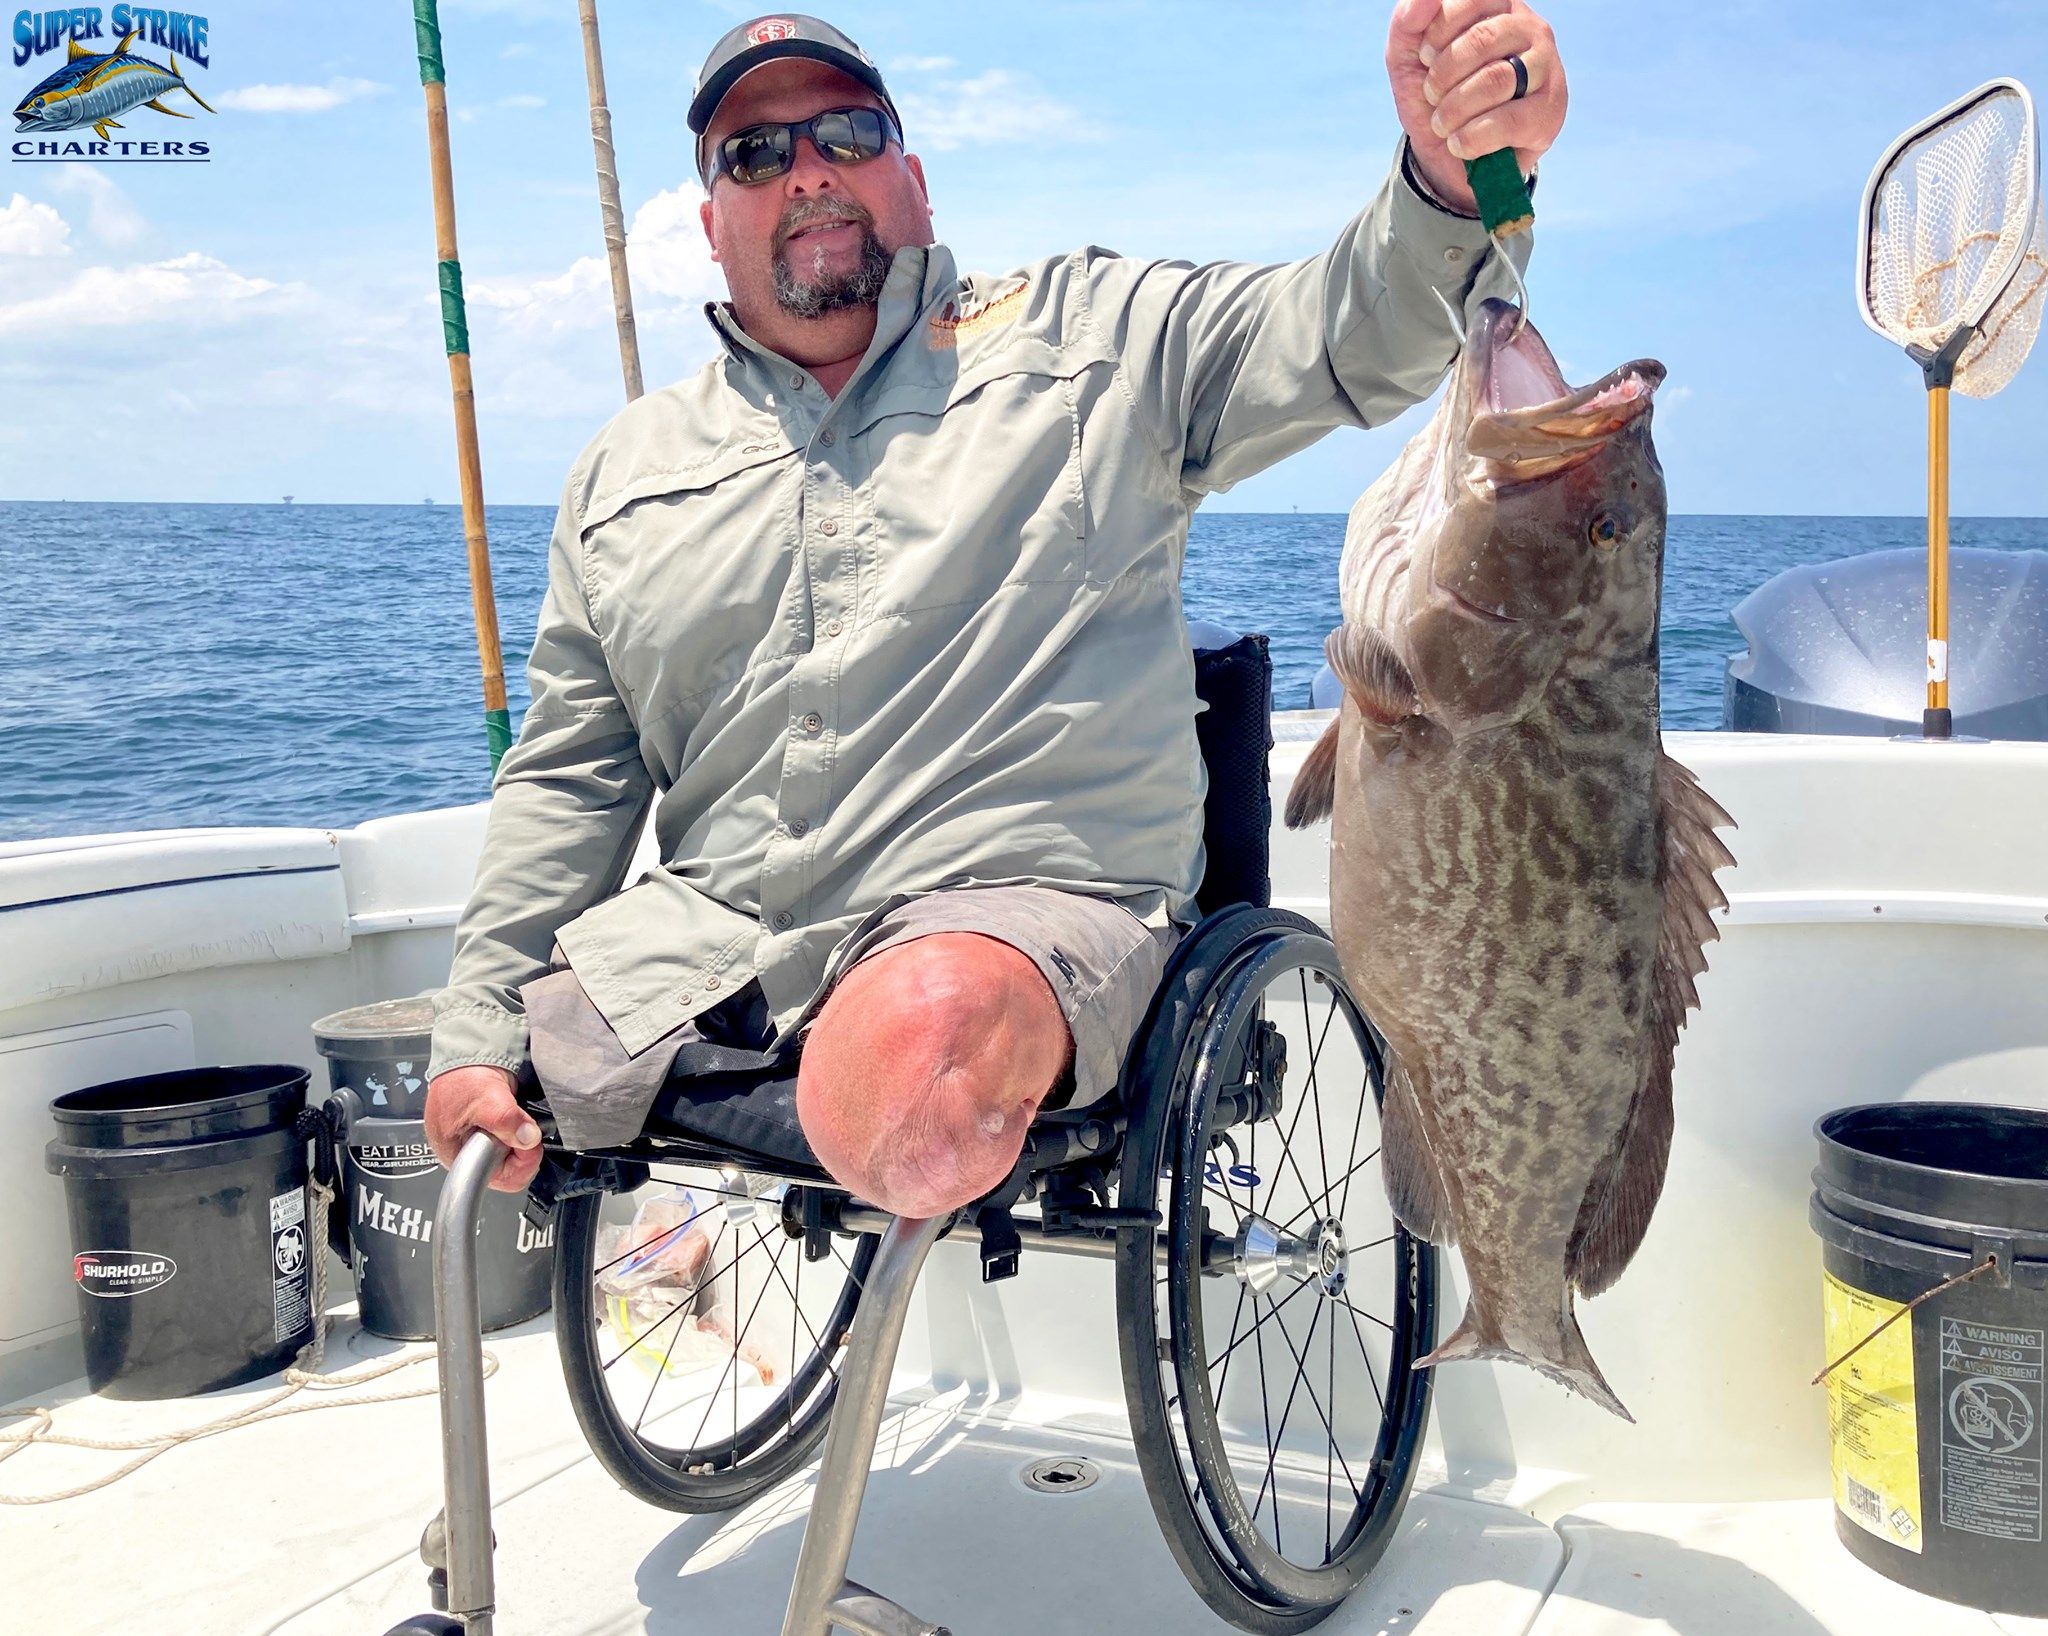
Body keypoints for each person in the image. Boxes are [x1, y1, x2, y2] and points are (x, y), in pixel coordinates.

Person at [424, 2, 1568, 1218]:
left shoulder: (1098, 342)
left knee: (918, 1045)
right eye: (755, 154)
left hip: (1022, 923)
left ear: (911, 177)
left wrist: (1454, 182)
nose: (807, 170)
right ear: (712, 223)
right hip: (704, 947)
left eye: (846, 133)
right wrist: (474, 1035)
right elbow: (569, 779)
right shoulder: (621, 469)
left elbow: (1347, 330)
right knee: (444, 1095)